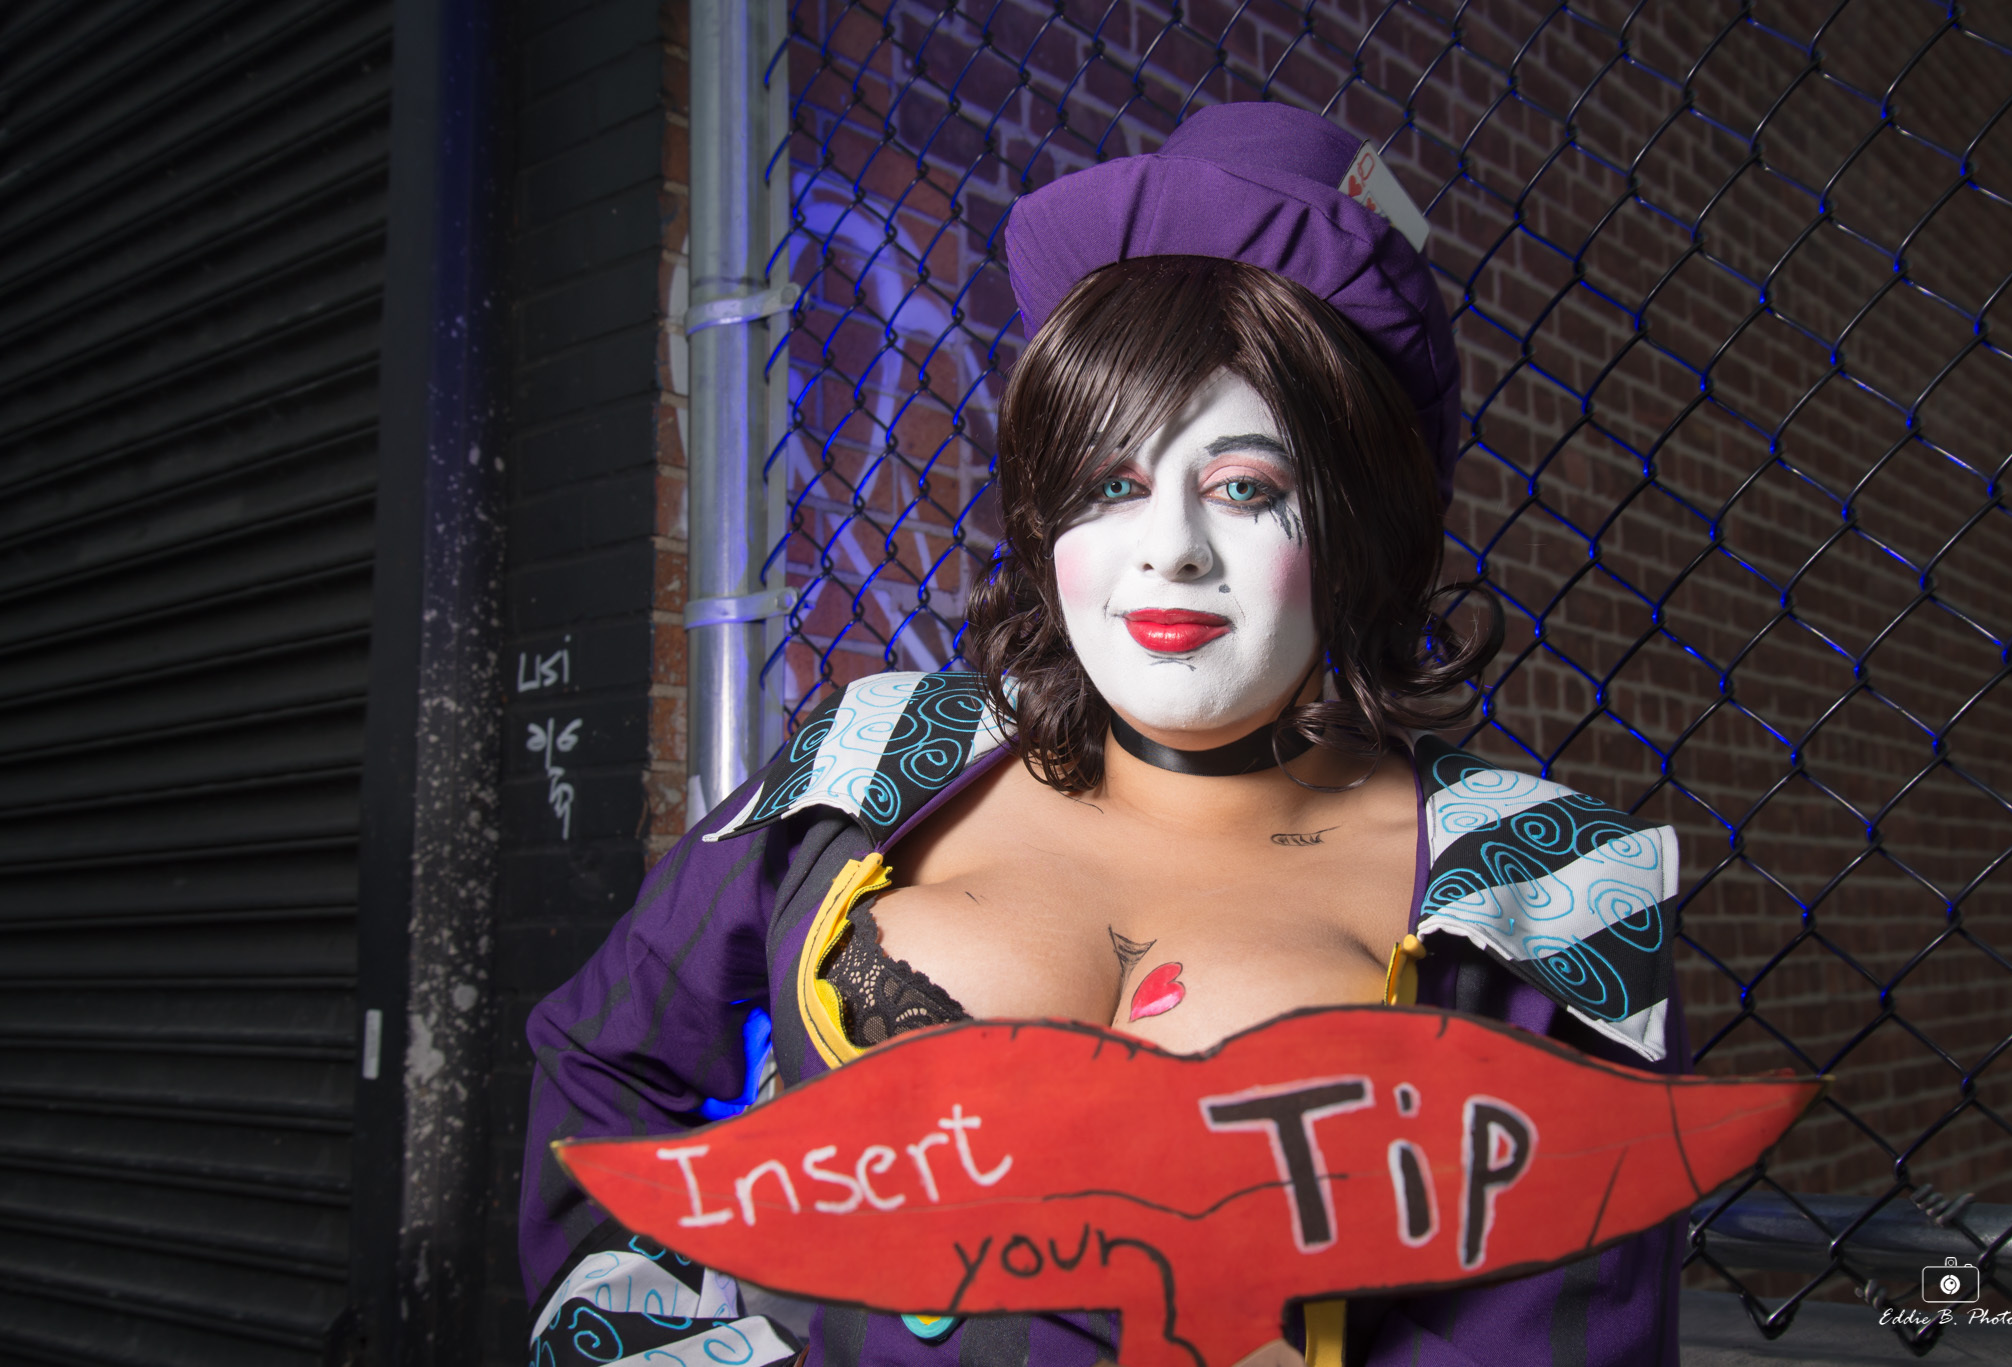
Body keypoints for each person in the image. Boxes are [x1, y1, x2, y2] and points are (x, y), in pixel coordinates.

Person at [521, 102, 1684, 1367]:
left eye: (1244, 486)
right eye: (1110, 483)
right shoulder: (874, 754)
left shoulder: (1538, 885)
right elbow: (604, 1062)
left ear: (1358, 524)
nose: (1167, 547)